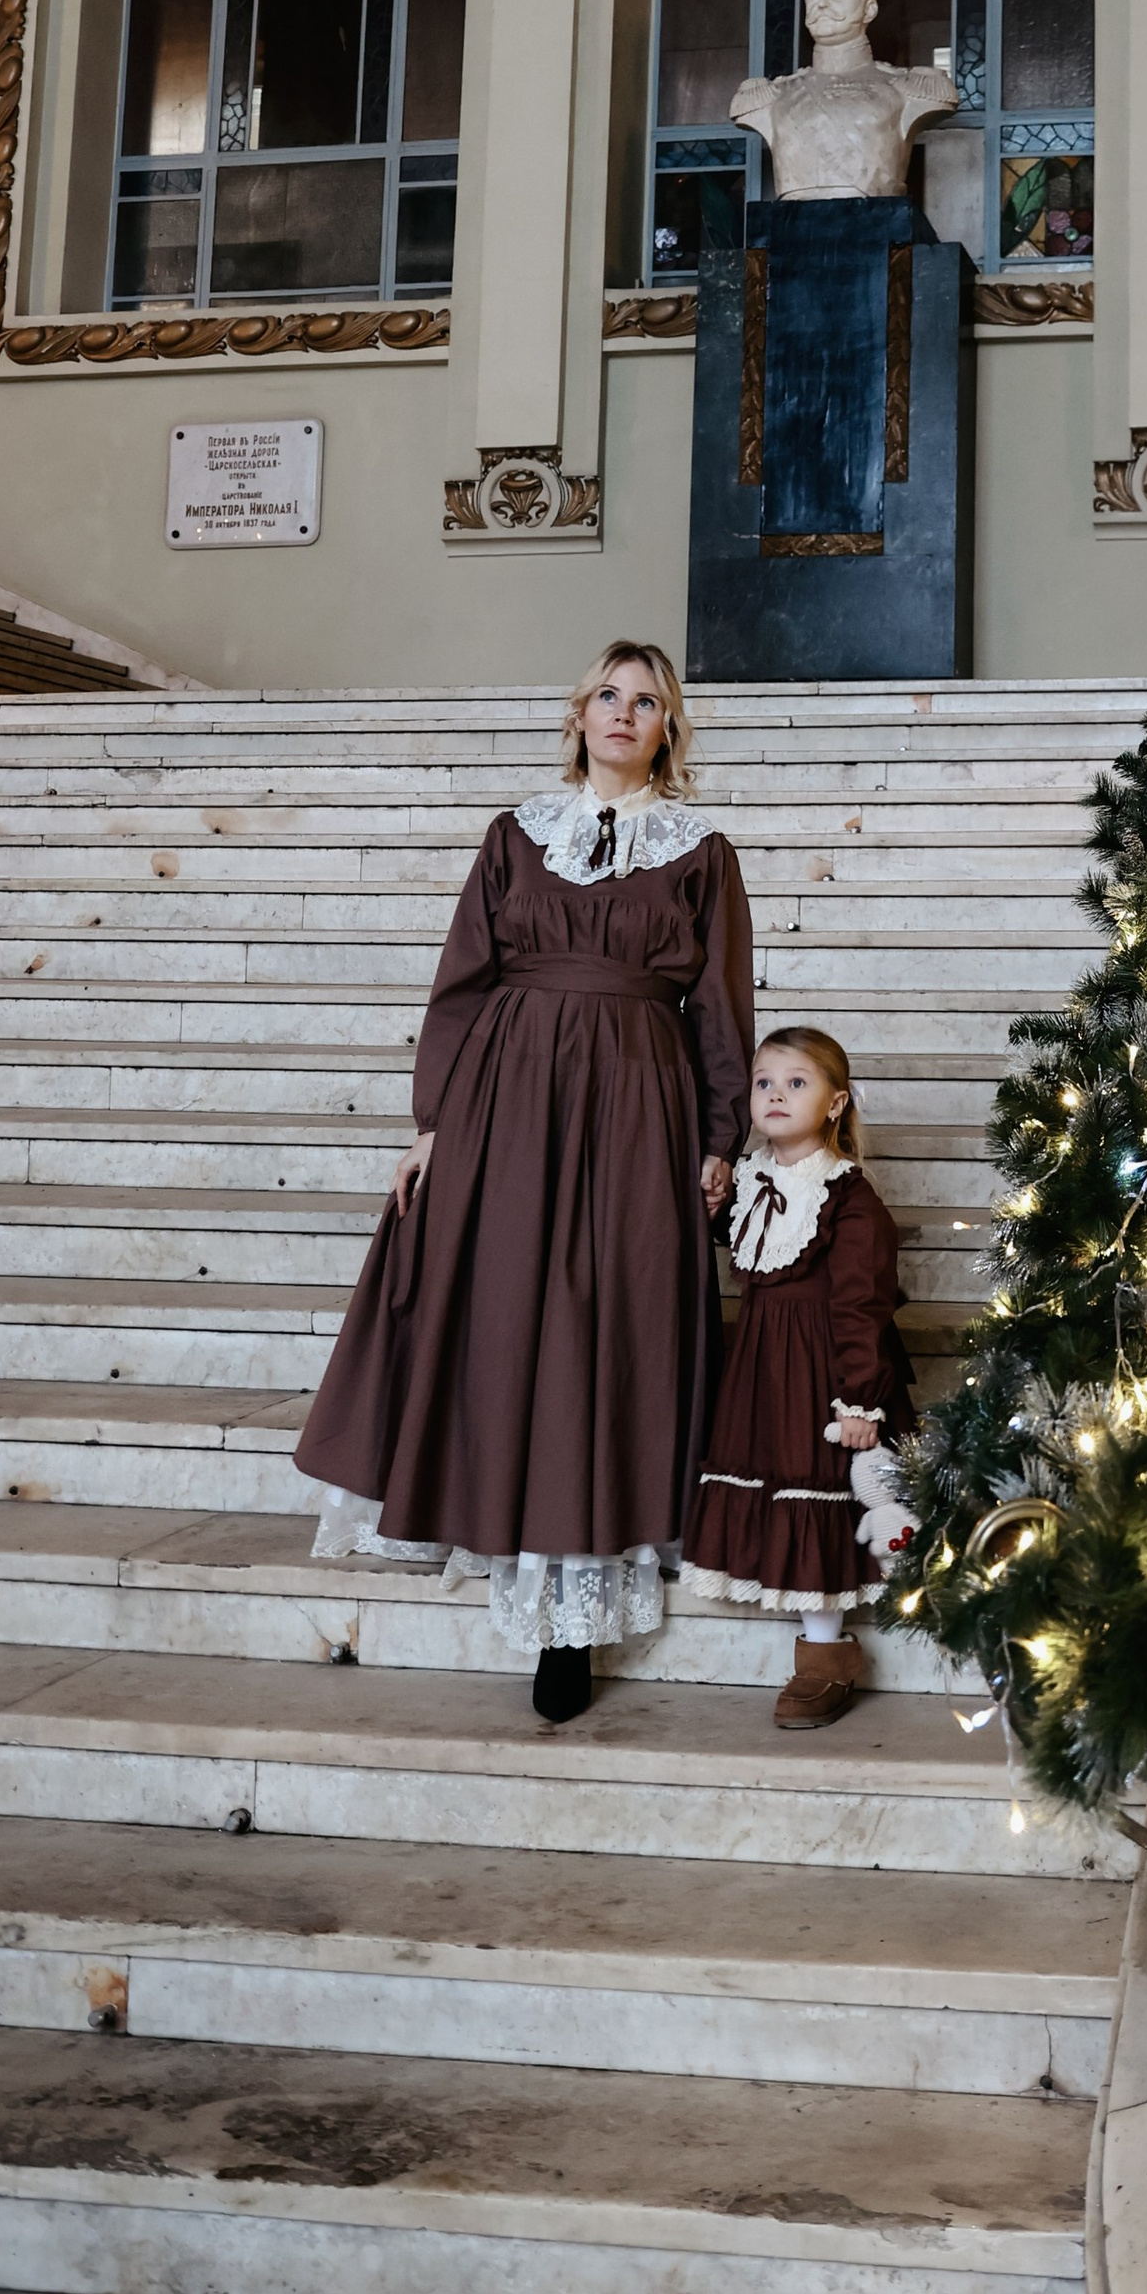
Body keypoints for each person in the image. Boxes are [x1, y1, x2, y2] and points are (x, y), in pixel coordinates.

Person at [294, 641, 753, 1726]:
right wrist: (433, 1128)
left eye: (648, 702)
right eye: (609, 695)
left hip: (639, 1107)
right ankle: (506, 1543)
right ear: (580, 713)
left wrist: (720, 1138)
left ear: (668, 730)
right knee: (507, 1320)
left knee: (606, 1333)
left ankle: (574, 1621)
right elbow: (461, 984)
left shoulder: (702, 852)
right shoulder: (515, 835)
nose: (625, 713)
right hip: (509, 1104)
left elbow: (722, 1010)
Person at [679, 1025, 918, 1728]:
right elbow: (753, 1243)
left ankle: (824, 1655)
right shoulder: (752, 1178)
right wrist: (716, 1210)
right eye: (764, 1083)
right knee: (771, 1481)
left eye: (796, 1083)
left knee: (819, 1495)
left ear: (836, 1103)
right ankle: (806, 1625)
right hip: (761, 1369)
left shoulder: (848, 1198)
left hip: (821, 1373)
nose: (776, 1095)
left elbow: (862, 1306)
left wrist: (859, 1400)